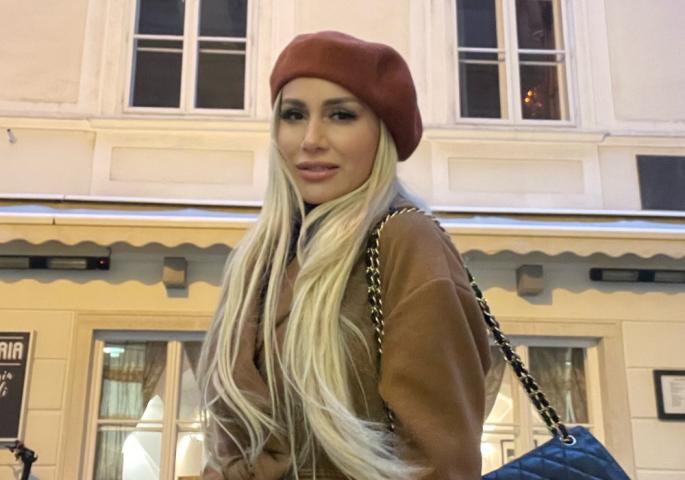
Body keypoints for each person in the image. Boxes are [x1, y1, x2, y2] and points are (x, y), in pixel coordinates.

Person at [198, 31, 492, 480]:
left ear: (382, 132)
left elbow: (440, 463)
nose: (311, 139)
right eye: (294, 115)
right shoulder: (257, 260)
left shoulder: (405, 240)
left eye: (341, 115)